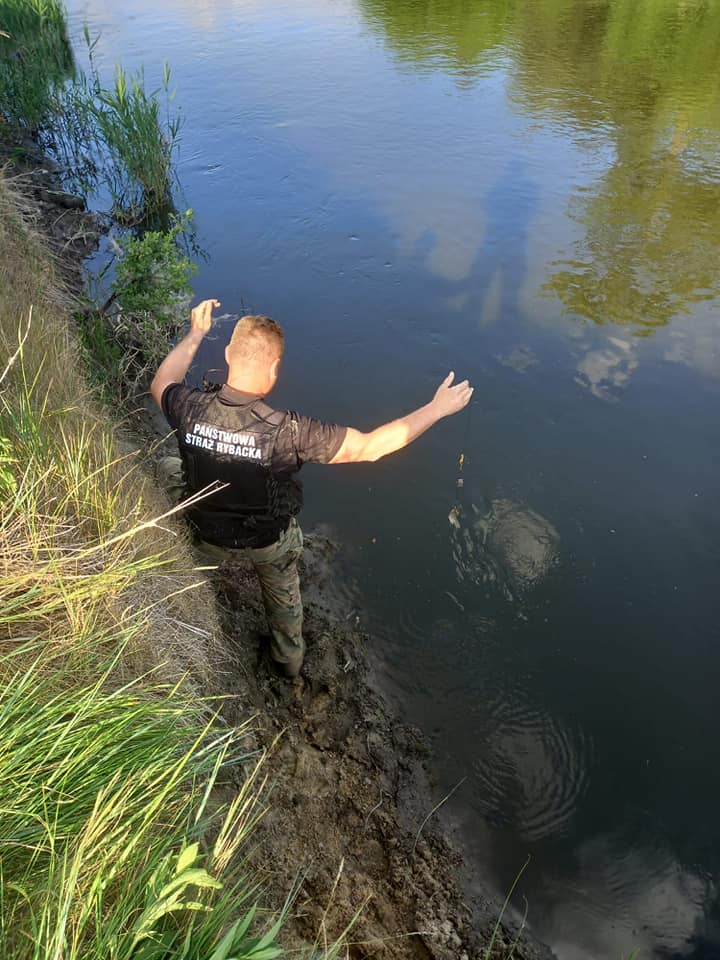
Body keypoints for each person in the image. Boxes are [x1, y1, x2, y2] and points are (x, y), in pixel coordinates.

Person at [151, 299, 473, 678]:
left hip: (204, 531)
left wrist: (195, 334)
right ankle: (288, 663)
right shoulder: (291, 431)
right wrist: (436, 409)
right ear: (274, 369)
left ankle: (192, 562)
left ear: (227, 355)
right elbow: (371, 448)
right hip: (266, 542)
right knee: (286, 610)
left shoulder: (190, 406)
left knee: (166, 465)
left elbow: (161, 383)